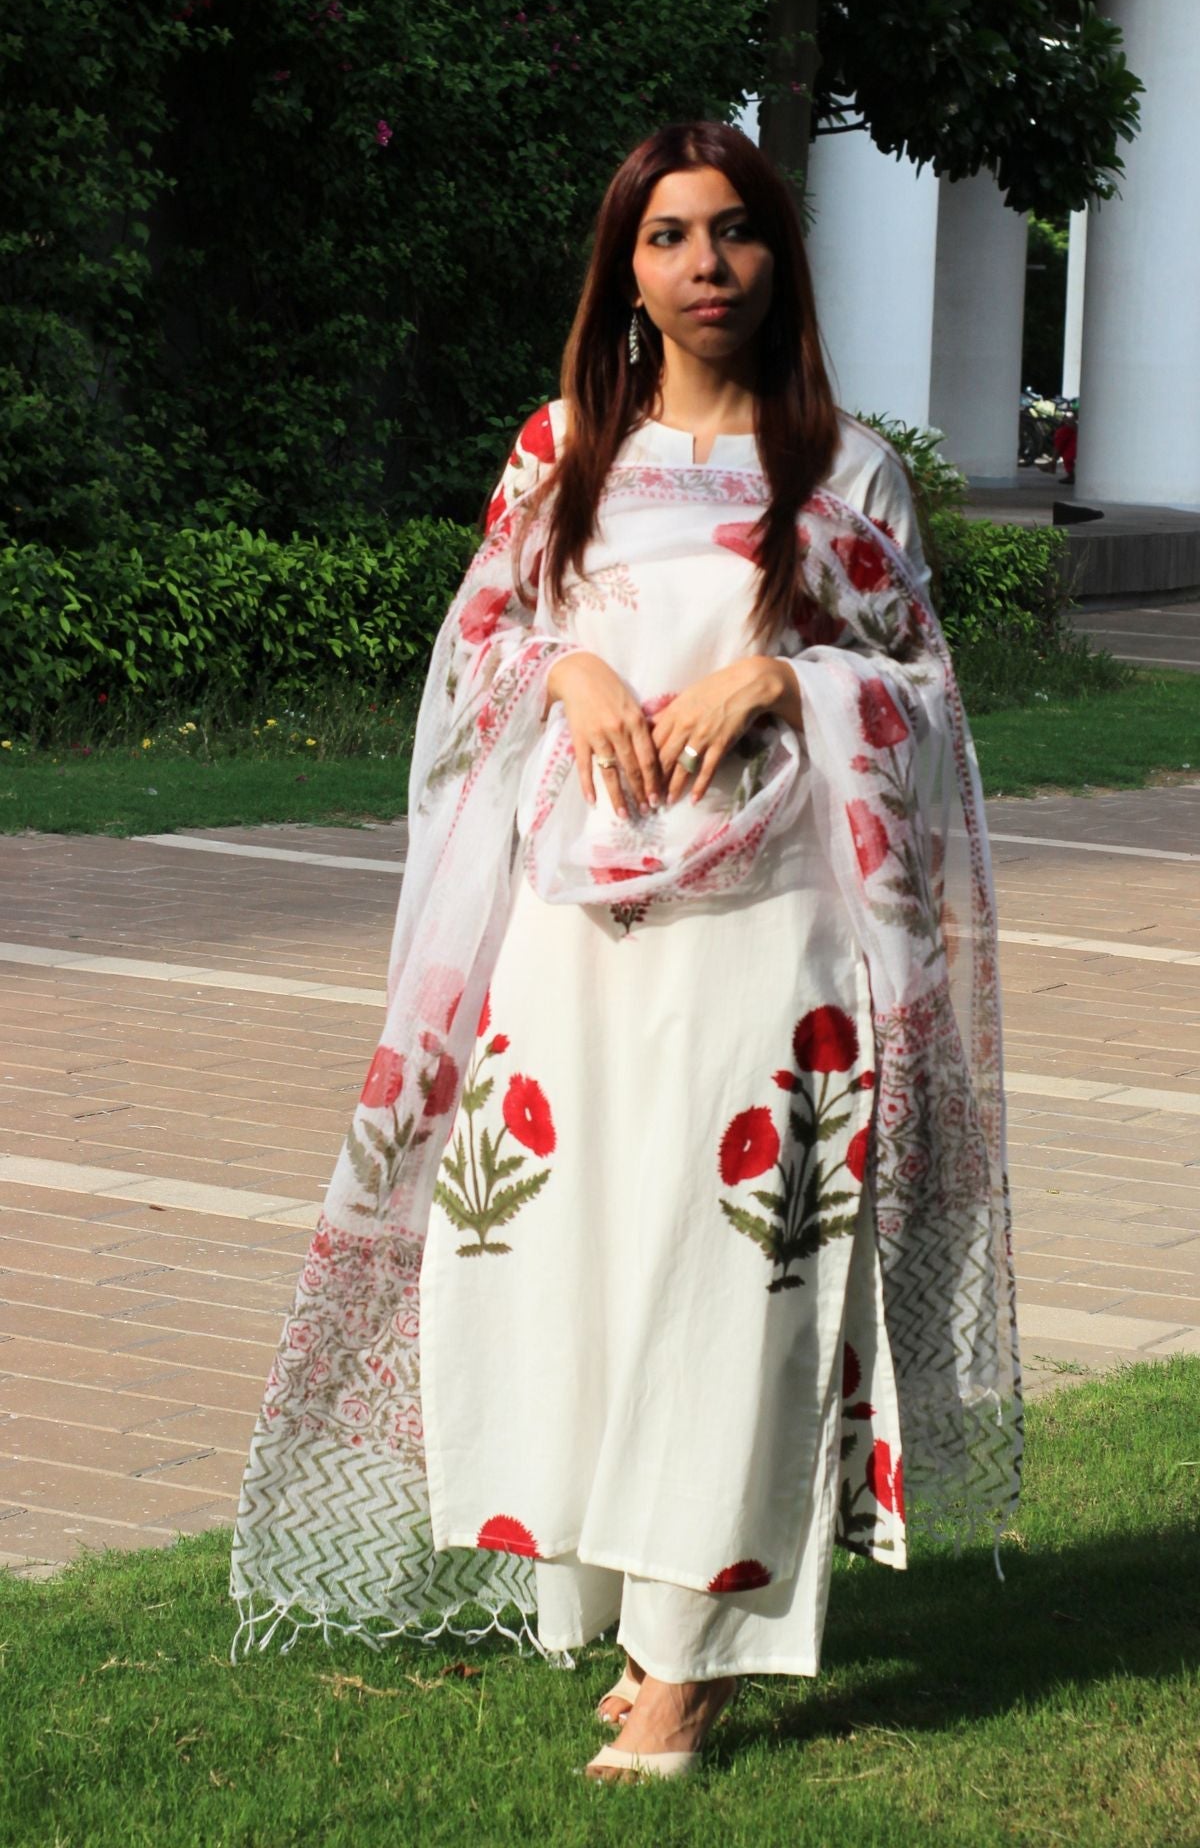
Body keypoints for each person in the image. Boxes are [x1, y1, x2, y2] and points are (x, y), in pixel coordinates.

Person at [229, 121, 1021, 1785]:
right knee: (563, 1258)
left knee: (739, 1274)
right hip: (577, 938)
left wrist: (790, 680)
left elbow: (932, 706)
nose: (707, 264)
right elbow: (479, 662)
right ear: (628, 268)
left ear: (776, 260)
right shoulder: (561, 454)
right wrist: (567, 676)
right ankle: (635, 1599)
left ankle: (694, 1658)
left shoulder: (848, 472)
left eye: (736, 233)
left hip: (780, 941)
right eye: (672, 235)